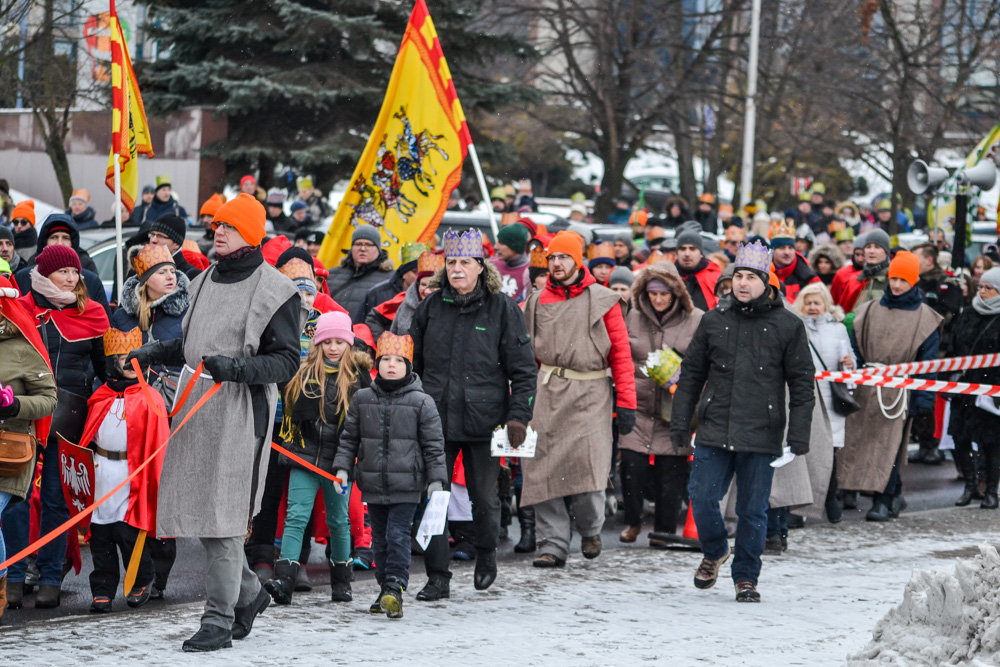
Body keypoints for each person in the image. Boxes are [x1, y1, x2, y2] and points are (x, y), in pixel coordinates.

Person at [126, 193, 302, 652]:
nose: (217, 231)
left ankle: (218, 620)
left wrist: (238, 369)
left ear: (249, 234)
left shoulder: (276, 290)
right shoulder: (202, 279)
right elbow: (191, 345)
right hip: (196, 408)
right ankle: (249, 595)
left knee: (223, 522)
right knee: (208, 518)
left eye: (228, 226)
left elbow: (286, 362)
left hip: (242, 413)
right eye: (217, 225)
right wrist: (155, 351)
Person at [671, 240, 814, 602]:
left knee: (752, 511)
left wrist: (798, 436)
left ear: (767, 282)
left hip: (761, 431)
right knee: (702, 499)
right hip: (714, 425)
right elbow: (690, 376)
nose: (743, 283)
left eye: (751, 277)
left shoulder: (788, 325)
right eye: (738, 276)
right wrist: (679, 424)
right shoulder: (713, 321)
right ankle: (716, 550)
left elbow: (801, 384)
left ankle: (746, 577)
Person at [410, 228, 536, 600]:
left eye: (465, 262)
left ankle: (486, 555)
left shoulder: (502, 308)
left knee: (484, 497)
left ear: (481, 267)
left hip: (485, 422)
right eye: (451, 262)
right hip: (435, 421)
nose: (457, 269)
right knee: (435, 497)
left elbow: (524, 371)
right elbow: (410, 365)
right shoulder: (430, 308)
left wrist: (519, 417)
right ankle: (437, 575)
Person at [521, 231, 636, 567]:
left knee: (588, 470)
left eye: (564, 257)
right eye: (552, 258)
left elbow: (621, 355)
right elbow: (522, 354)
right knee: (542, 471)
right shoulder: (536, 301)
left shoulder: (602, 300)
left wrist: (626, 402)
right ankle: (552, 544)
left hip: (590, 393)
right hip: (546, 392)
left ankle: (589, 529)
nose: (556, 263)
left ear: (577, 260)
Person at [10, 244, 109, 608]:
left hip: (68, 417)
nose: (72, 278)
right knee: (15, 501)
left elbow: (104, 369)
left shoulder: (94, 313)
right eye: (64, 272)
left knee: (56, 501)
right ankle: (15, 576)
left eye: (75, 273)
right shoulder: (19, 309)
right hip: (23, 415)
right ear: (44, 274)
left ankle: (51, 576)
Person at [332, 332, 446, 619]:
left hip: (407, 485)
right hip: (373, 483)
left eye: (398, 360)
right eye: (385, 360)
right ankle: (385, 588)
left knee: (397, 536)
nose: (391, 365)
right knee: (379, 539)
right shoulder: (362, 398)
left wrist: (436, 479)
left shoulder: (422, 402)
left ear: (408, 365)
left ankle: (395, 586)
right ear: (377, 363)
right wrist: (343, 469)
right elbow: (349, 439)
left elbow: (434, 445)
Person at [265, 312, 371, 606]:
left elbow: (360, 425)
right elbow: (291, 416)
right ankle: (284, 579)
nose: (334, 347)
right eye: (328, 342)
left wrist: (348, 462)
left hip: (340, 462)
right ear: (318, 344)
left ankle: (342, 581)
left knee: (339, 521)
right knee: (296, 517)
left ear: (349, 344)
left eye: (340, 341)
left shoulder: (358, 379)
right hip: (305, 457)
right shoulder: (303, 373)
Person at [839, 251, 942, 522]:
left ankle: (882, 500)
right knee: (861, 444)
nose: (896, 285)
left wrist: (923, 400)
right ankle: (894, 494)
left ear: (914, 281)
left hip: (899, 392)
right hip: (867, 385)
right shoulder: (870, 310)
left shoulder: (925, 318)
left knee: (889, 446)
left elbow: (927, 363)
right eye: (893, 278)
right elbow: (855, 345)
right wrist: (856, 373)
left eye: (903, 280)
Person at [110, 243, 188, 598]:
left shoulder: (185, 315)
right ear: (144, 281)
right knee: (130, 496)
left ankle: (161, 574)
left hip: (172, 416)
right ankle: (139, 573)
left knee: (162, 495)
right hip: (131, 419)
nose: (170, 276)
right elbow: (109, 368)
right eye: (161, 272)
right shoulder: (124, 318)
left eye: (172, 270)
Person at [78, 325, 170, 613]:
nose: (133, 365)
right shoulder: (100, 397)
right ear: (111, 363)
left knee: (128, 533)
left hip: (133, 474)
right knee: (101, 535)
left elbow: (159, 442)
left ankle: (141, 579)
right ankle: (103, 587)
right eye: (125, 359)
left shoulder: (150, 397)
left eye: (139, 359)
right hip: (102, 472)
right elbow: (88, 438)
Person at [619, 262, 702, 545]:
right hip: (638, 406)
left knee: (671, 474)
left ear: (676, 294)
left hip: (673, 409)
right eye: (653, 293)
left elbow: (703, 362)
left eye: (664, 294)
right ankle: (632, 522)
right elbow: (622, 355)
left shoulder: (695, 320)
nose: (658, 299)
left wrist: (682, 374)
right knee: (631, 468)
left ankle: (664, 531)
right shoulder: (634, 317)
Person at [0, 276, 58, 621]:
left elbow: (49, 398)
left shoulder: (22, 345)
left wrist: (13, 406)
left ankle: (2, 589)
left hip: (7, 453)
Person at [792, 282, 854, 521]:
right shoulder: (795, 327)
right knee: (803, 451)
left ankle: (830, 498)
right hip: (804, 397)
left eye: (817, 303)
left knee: (829, 452)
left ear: (826, 304)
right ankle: (800, 505)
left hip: (830, 398)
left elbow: (848, 361)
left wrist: (849, 363)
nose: (812, 307)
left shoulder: (838, 329)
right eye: (808, 303)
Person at [948, 267, 1000, 509]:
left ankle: (991, 490)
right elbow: (953, 347)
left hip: (992, 390)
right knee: (960, 437)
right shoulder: (967, 314)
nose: (982, 292)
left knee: (991, 442)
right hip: (965, 386)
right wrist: (947, 378)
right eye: (981, 287)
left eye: (988, 288)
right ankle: (969, 486)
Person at [327, 226, 395, 321]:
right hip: (331, 332)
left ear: (378, 249)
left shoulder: (391, 279)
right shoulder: (331, 275)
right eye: (358, 244)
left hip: (366, 334)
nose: (363, 248)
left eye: (369, 244)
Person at [356, 243, 426, 324]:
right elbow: (361, 325)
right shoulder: (377, 293)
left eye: (423, 273)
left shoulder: (429, 295)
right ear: (404, 274)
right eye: (415, 272)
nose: (419, 277)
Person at [381, 250, 443, 337]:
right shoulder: (405, 305)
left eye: (433, 286)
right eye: (423, 284)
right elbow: (393, 333)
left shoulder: (446, 309)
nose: (427, 291)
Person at [768, 220, 819, 303]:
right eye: (782, 248)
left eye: (791, 248)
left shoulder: (808, 277)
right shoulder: (763, 273)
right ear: (773, 251)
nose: (787, 252)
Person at [675, 229, 721, 311]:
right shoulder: (669, 276)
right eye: (682, 249)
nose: (687, 254)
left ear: (700, 253)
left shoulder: (714, 276)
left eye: (692, 249)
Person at [149, 214, 201, 280]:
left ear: (177, 245)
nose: (153, 240)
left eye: (161, 236)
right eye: (152, 234)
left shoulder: (192, 276)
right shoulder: (143, 268)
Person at [851, 229, 892, 312]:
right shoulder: (857, 279)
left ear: (886, 252)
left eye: (877, 247)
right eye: (868, 247)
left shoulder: (892, 278)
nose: (871, 251)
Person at [492, 223, 532, 301]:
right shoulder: (492, 266)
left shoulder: (531, 272)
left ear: (515, 246)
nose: (496, 247)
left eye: (502, 243)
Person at [831, 234, 866, 311]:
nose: (860, 259)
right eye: (857, 254)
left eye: (863, 255)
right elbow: (834, 300)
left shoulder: (875, 275)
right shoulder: (842, 273)